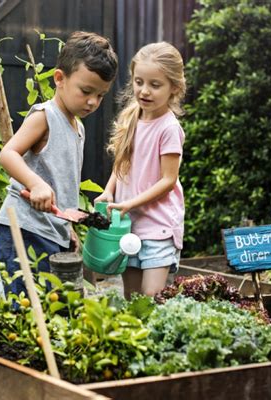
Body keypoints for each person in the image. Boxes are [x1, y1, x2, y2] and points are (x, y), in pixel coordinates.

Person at [0, 31, 118, 295]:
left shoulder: (78, 128)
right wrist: (35, 183)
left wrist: (68, 227)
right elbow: (7, 154)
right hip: (24, 228)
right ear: (60, 78)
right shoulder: (45, 116)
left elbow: (64, 182)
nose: (92, 102)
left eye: (100, 95)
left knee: (53, 308)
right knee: (25, 308)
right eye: (86, 91)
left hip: (53, 231)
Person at [95, 42, 186, 299]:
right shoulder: (132, 116)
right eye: (139, 82)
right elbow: (122, 161)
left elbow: (168, 180)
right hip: (128, 224)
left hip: (158, 227)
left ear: (174, 88)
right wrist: (109, 191)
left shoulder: (168, 128)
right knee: (132, 297)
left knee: (151, 297)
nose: (144, 91)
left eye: (155, 85)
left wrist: (130, 202)